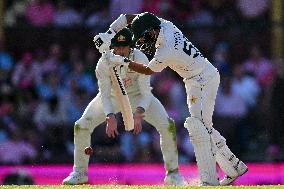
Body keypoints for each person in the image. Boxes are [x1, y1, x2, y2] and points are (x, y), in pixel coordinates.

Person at [94, 12, 248, 186]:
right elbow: (130, 18)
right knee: (204, 128)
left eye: (143, 38)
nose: (142, 42)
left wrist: (120, 60)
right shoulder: (162, 23)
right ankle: (234, 166)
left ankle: (209, 180)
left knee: (198, 128)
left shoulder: (166, 49)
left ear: (152, 31)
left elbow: (147, 70)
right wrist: (110, 32)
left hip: (203, 80)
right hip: (194, 80)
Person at [63, 28, 185, 185]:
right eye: (117, 47)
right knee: (81, 125)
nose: (120, 50)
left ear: (131, 46)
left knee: (167, 125)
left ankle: (173, 174)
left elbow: (146, 93)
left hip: (137, 96)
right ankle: (80, 173)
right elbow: (105, 94)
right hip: (112, 98)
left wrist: (139, 112)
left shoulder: (140, 58)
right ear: (112, 47)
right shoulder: (103, 63)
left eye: (124, 46)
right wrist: (110, 116)